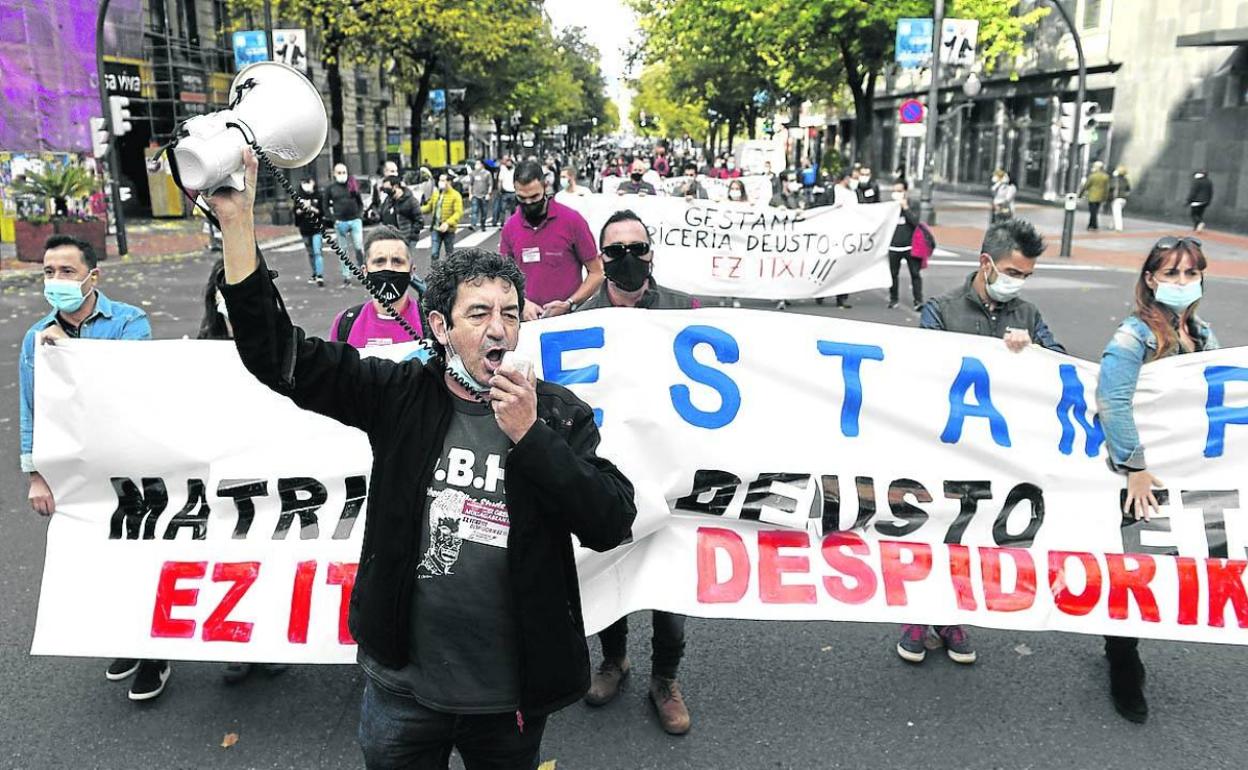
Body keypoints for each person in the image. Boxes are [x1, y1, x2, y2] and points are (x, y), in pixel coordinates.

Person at [209, 149, 636, 769]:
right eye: (478, 314)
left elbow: (611, 521)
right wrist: (237, 225)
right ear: (439, 326)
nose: (498, 330)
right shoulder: (399, 394)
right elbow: (279, 358)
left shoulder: (555, 413)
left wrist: (532, 438)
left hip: (510, 699)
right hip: (403, 691)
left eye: (509, 315)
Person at [906, 218, 1065, 667]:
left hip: (998, 452)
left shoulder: (1028, 316)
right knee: (932, 528)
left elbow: (1062, 367)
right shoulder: (941, 310)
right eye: (1012, 272)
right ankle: (917, 615)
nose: (1018, 283)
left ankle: (951, 616)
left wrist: (1034, 352)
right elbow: (917, 367)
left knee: (971, 533)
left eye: (1026, 276)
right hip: (944, 444)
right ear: (986, 263)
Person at [19, 234, 167, 701]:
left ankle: (156, 654)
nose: (56, 281)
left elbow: (132, 387)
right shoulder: (35, 336)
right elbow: (31, 408)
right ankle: (128, 641)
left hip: (130, 463)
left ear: (92, 276)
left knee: (141, 556)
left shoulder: (129, 322)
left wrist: (70, 354)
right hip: (77, 472)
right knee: (102, 561)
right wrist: (36, 475)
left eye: (67, 271)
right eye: (48, 272)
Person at [576, 210, 696, 735]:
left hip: (669, 474)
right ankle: (614, 660)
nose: (628, 258)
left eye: (637, 248)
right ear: (601, 259)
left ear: (652, 253)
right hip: (610, 475)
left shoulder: (684, 310)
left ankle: (665, 679)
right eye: (615, 250)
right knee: (612, 569)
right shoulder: (580, 320)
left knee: (669, 580)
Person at [1095, 236, 1215, 724]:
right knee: (1133, 567)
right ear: (1150, 279)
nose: (1182, 282)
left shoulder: (1201, 333)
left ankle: (1120, 646)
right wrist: (1135, 468)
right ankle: (1123, 659)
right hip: (1141, 476)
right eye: (1171, 273)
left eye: (1190, 273)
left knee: (1166, 563)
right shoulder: (1133, 336)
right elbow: (1112, 401)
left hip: (1180, 470)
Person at [499, 160, 605, 321]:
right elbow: (503, 278)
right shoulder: (510, 228)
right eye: (522, 198)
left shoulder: (572, 220)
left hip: (569, 319)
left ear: (545, 186)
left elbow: (597, 273)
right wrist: (522, 303)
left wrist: (570, 304)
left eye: (534, 197)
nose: (528, 203)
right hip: (527, 322)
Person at [328, 225, 426, 348]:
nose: (389, 268)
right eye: (379, 261)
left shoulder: (431, 321)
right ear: (365, 271)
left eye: (397, 261)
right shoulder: (345, 324)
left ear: (412, 271)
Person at [327, 163, 365, 287]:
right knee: (343, 250)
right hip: (340, 222)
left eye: (344, 172)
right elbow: (325, 205)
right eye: (339, 172)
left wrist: (359, 216)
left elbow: (360, 202)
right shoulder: (331, 188)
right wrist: (333, 219)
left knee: (359, 246)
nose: (342, 175)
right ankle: (346, 276)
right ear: (334, 174)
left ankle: (363, 270)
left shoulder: (352, 185)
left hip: (355, 220)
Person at [887, 181, 923, 311]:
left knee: (915, 274)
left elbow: (915, 222)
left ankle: (918, 300)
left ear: (905, 192)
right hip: (893, 246)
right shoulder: (889, 206)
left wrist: (905, 207)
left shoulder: (913, 204)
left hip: (909, 246)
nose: (896, 194)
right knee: (893, 274)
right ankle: (893, 299)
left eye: (899, 191)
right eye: (894, 191)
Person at [422, 172, 463, 261]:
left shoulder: (455, 195)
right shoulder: (436, 194)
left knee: (449, 254)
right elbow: (429, 207)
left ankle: (449, 269)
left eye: (443, 180)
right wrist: (417, 209)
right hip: (436, 228)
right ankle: (435, 269)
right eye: (440, 180)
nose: (440, 182)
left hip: (449, 229)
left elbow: (458, 213)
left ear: (449, 182)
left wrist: (447, 223)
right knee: (434, 253)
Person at [294, 176, 326, 286]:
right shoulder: (298, 196)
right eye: (305, 182)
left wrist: (312, 208)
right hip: (304, 228)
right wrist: (303, 208)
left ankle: (320, 275)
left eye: (309, 182)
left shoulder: (318, 195)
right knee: (311, 252)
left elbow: (322, 212)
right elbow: (295, 212)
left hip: (316, 228)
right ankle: (315, 273)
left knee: (317, 251)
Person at [379, 175, 422, 245]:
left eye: (387, 188)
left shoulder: (411, 201)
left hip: (406, 240)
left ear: (395, 186)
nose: (385, 191)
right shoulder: (387, 200)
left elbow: (419, 221)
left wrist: (411, 236)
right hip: (390, 240)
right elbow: (382, 216)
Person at [1081, 160, 1111, 231]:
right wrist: (1105, 197)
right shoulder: (1106, 177)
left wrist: (1081, 194)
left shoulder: (1092, 176)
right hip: (1100, 197)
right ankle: (1091, 224)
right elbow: (1107, 188)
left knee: (1092, 211)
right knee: (1095, 211)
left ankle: (1093, 225)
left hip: (1092, 197)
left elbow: (1086, 186)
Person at [469, 160, 494, 230]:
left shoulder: (487, 173)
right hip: (475, 195)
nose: (476, 165)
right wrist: (470, 194)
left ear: (482, 165)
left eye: (478, 163)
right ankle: (473, 224)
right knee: (474, 210)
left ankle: (483, 224)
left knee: (484, 211)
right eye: (476, 164)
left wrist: (489, 194)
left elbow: (490, 184)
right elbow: (470, 184)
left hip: (484, 195)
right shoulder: (473, 173)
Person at [492, 155, 517, 227]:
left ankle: (513, 223)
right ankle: (501, 223)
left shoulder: (514, 170)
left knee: (513, 209)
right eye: (507, 162)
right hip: (504, 192)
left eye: (509, 162)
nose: (508, 163)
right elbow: (500, 180)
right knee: (502, 209)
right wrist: (499, 189)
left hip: (513, 192)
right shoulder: (502, 169)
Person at [1109, 166, 1132, 232]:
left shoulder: (1116, 180)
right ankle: (1111, 225)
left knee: (1117, 213)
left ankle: (1119, 227)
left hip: (1117, 198)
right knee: (1116, 212)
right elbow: (1128, 189)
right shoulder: (1125, 180)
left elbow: (1111, 188)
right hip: (1123, 199)